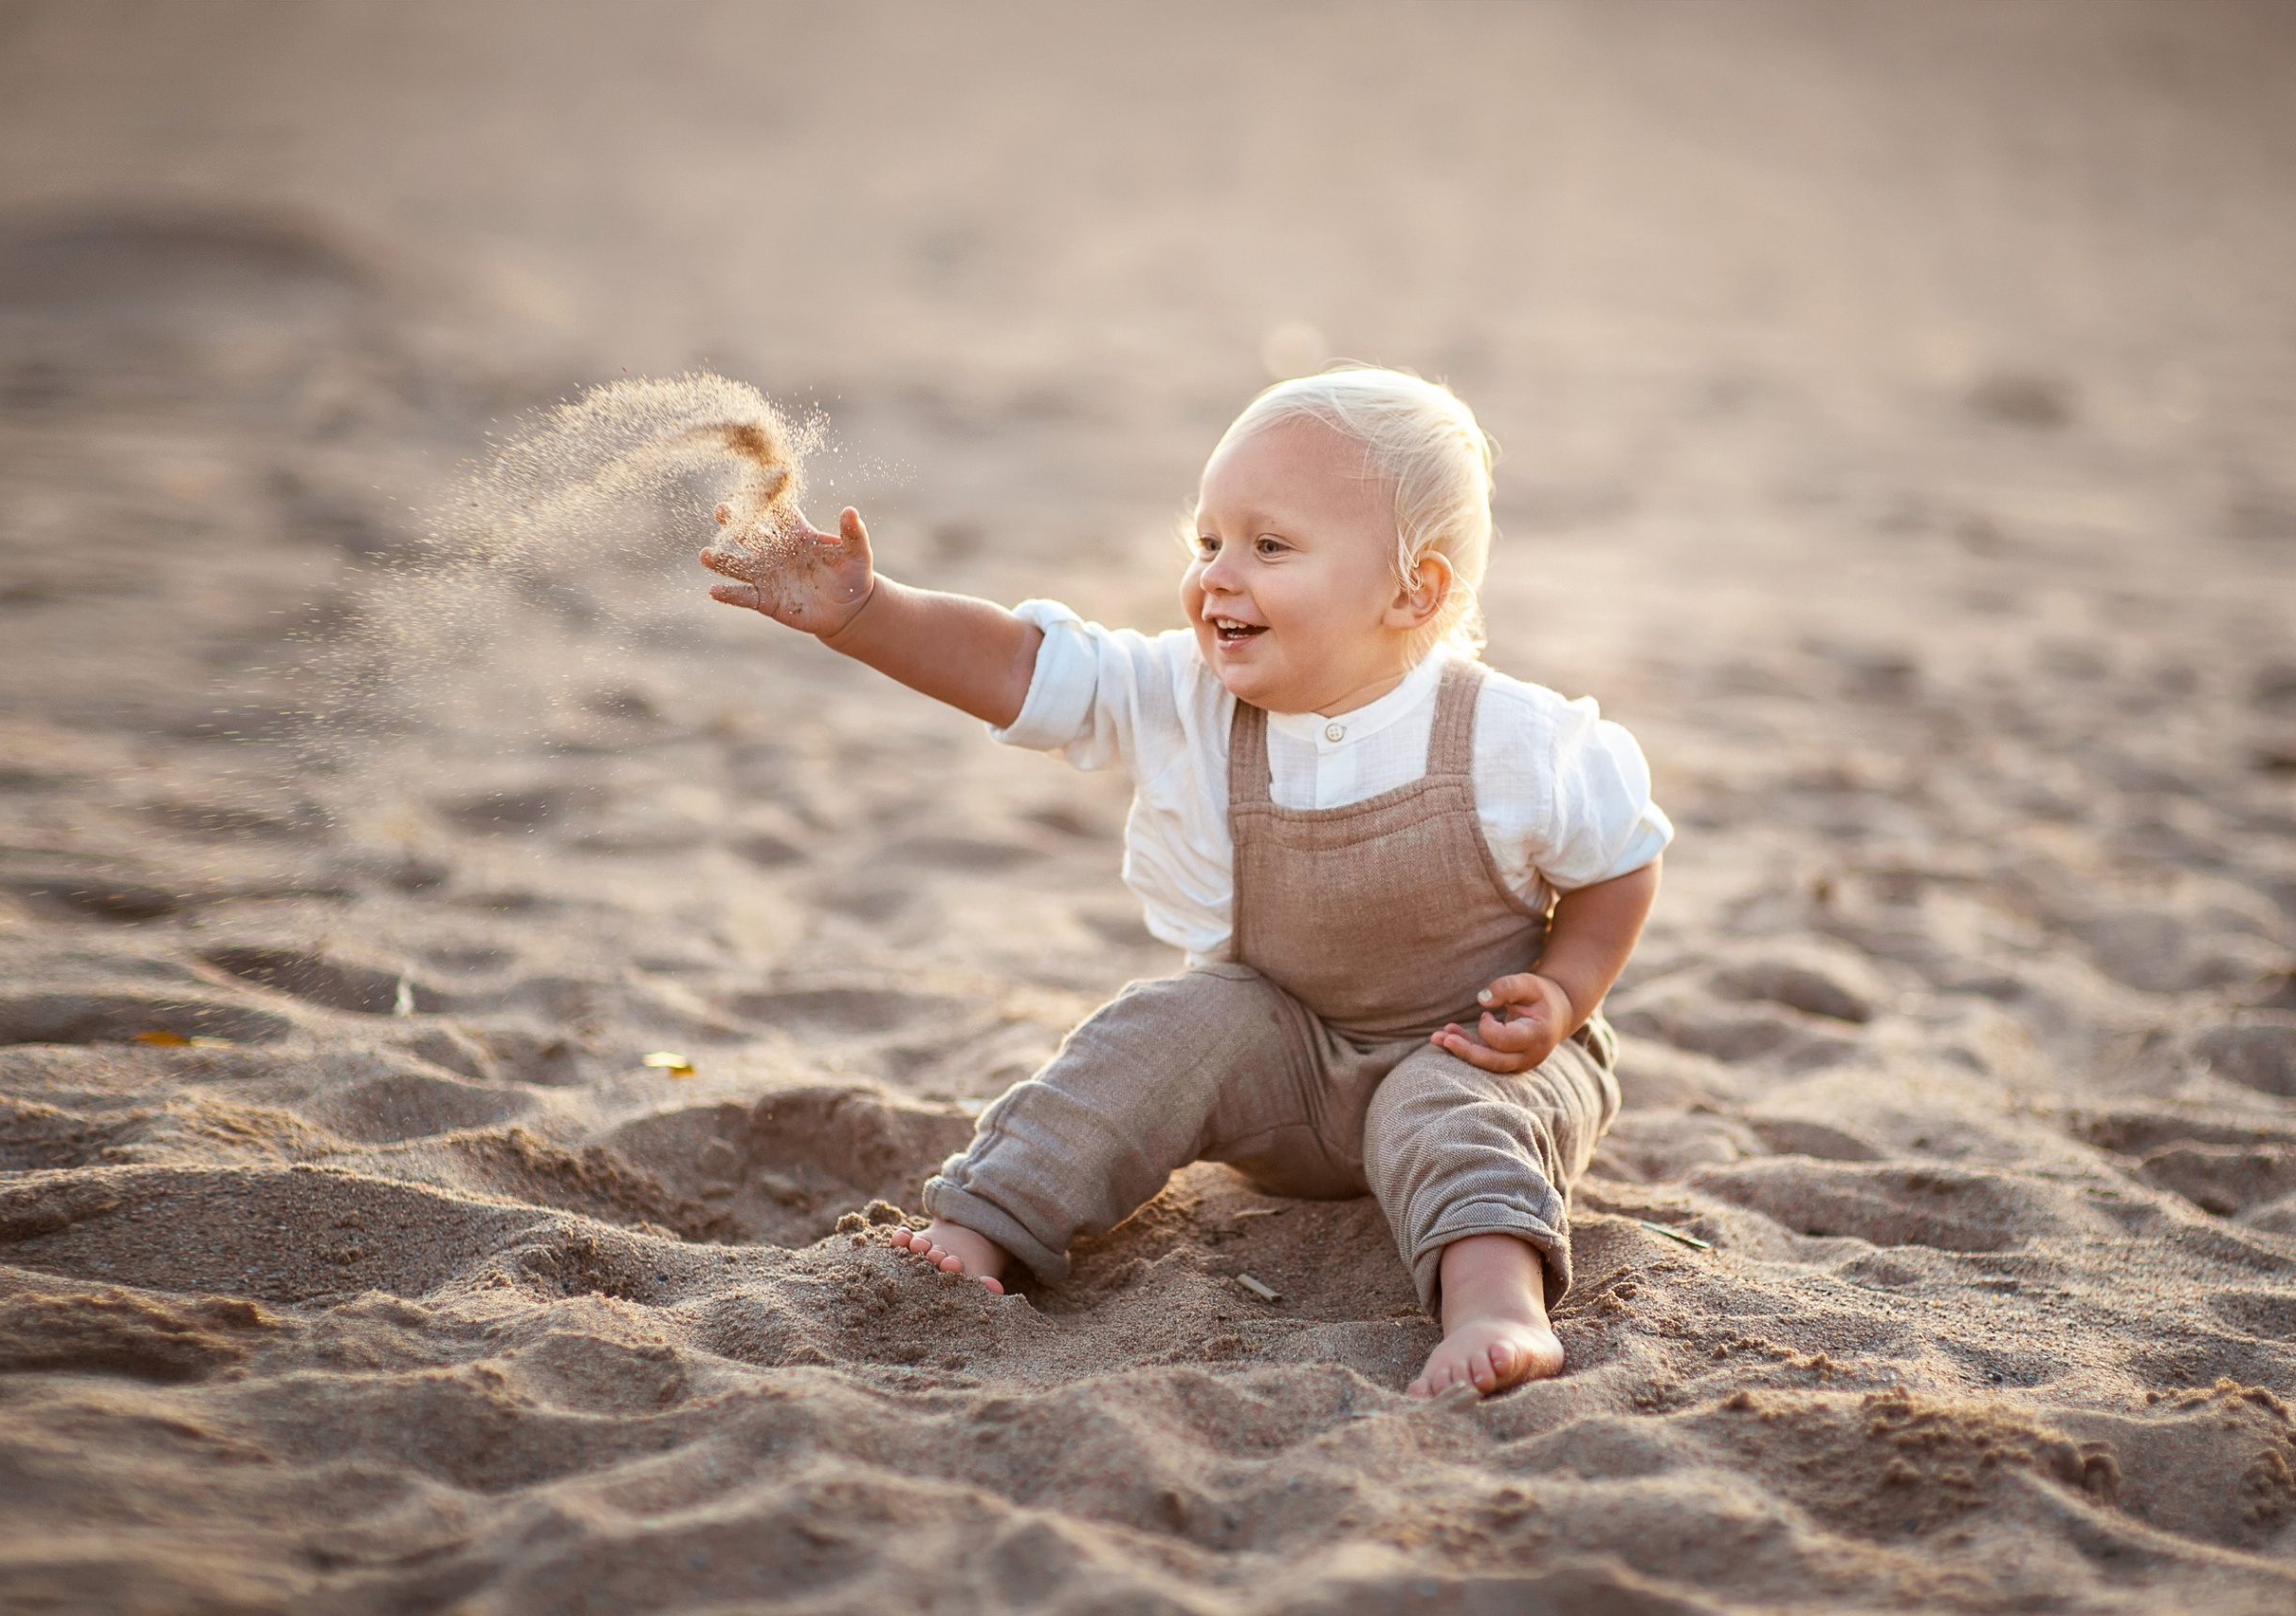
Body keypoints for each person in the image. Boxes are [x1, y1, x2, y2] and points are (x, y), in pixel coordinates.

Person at [700, 367, 1668, 1397]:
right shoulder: (1185, 694)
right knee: (1163, 1026)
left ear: (1412, 590)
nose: (1219, 576)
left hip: (1475, 1044)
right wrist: (864, 612)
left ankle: (1496, 1309)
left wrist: (1565, 994)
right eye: (1207, 542)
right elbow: (1020, 666)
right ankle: (982, 1225)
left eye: (1271, 546)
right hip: (1283, 1061)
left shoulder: (1513, 740)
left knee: (1453, 1110)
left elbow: (1620, 863)